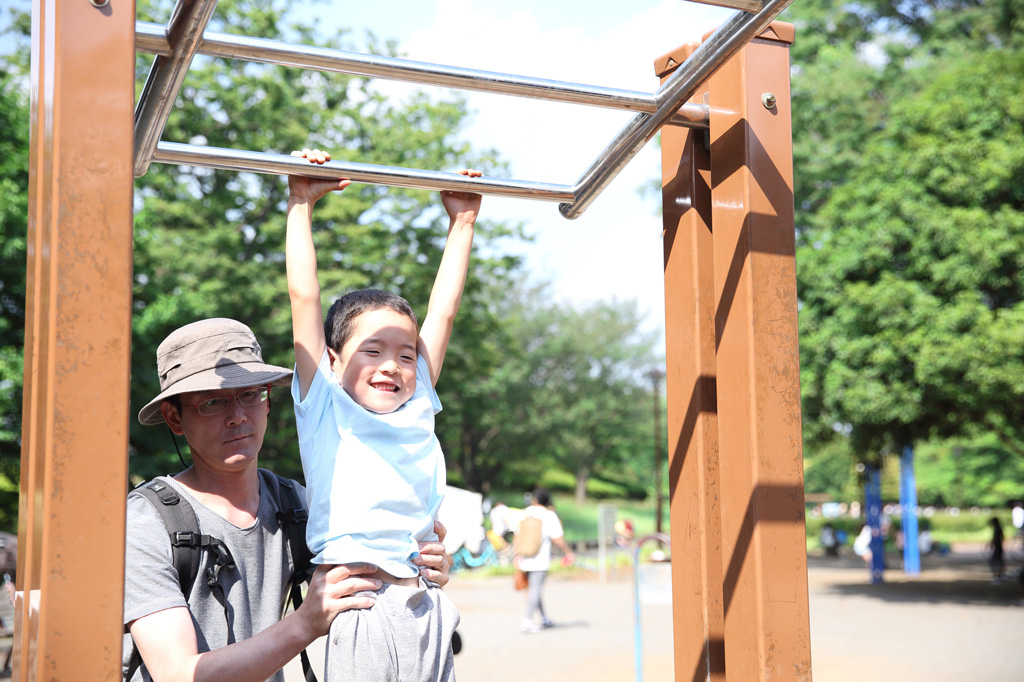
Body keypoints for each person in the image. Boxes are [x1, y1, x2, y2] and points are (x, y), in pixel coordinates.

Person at [123, 318, 452, 682]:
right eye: (213, 402)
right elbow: (177, 674)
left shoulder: (297, 505)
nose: (237, 417)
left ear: (268, 401)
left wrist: (418, 562)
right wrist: (304, 623)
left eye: (250, 394)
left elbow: (367, 581)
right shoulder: (146, 523)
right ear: (174, 417)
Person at [286, 148, 481, 681]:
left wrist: (462, 221)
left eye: (404, 354)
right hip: (361, 602)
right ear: (332, 360)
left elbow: (443, 310)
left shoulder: (418, 401)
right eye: (372, 350)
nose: (390, 366)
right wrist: (300, 202)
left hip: (425, 599)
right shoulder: (325, 407)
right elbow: (305, 297)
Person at [517, 488, 575, 634]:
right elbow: (558, 538)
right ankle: (527, 620)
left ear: (535, 499)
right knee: (535, 590)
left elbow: (517, 534)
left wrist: (516, 556)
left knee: (535, 589)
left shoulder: (525, 512)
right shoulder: (549, 515)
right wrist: (568, 552)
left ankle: (544, 618)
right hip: (540, 559)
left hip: (525, 557)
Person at [988, 517, 1005, 581]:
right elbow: (1003, 537)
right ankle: (1000, 574)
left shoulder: (997, 529)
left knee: (993, 561)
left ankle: (997, 575)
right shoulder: (999, 528)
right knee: (1000, 561)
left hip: (998, 547)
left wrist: (992, 544)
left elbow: (995, 538)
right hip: (999, 547)